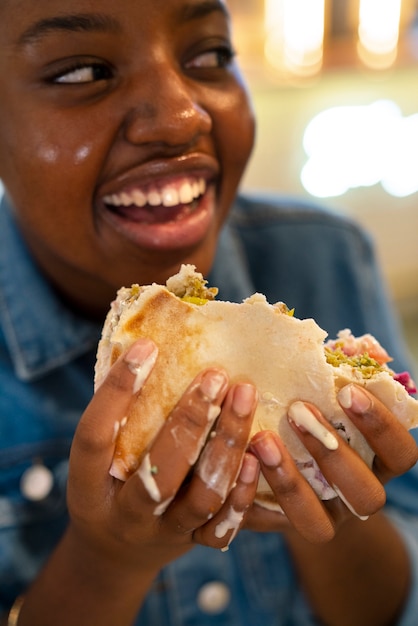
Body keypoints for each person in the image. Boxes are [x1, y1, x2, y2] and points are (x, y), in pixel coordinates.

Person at [0, 1, 417, 625]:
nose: (179, 116)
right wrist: (108, 560)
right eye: (81, 72)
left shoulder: (323, 255)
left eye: (209, 56)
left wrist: (327, 500)